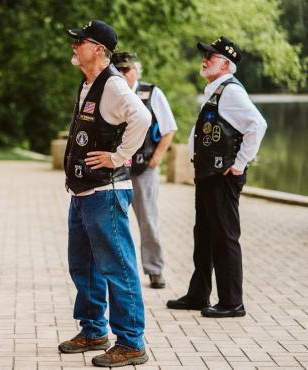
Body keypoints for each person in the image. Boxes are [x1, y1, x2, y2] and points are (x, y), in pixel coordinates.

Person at [57, 20, 151, 367]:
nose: (74, 46)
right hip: (84, 192)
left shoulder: (112, 85)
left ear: (98, 49)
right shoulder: (88, 82)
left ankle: (131, 342)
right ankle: (94, 329)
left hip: (106, 193)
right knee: (84, 265)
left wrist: (116, 156)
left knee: (118, 267)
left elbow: (141, 117)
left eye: (80, 41)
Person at [166, 36, 267, 318]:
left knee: (224, 238)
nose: (205, 59)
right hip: (208, 174)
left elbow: (257, 125)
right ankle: (199, 295)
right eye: (205, 54)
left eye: (210, 56)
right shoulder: (217, 90)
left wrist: (239, 163)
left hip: (222, 177)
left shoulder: (231, 92)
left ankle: (232, 302)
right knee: (204, 236)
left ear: (225, 63)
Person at [112, 52, 178, 289]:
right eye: (117, 69)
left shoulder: (151, 93)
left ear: (135, 71)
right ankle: (118, 272)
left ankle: (155, 270)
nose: (122, 74)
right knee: (113, 222)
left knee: (148, 220)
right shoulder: (112, 93)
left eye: (126, 70)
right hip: (116, 168)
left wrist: (157, 157)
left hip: (144, 168)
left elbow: (169, 128)